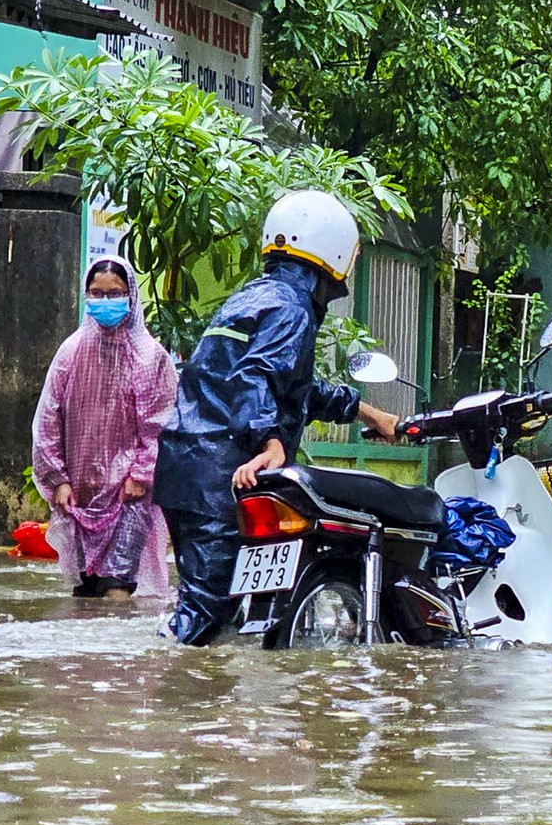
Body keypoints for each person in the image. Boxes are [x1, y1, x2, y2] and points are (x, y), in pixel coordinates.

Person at [155, 191, 402, 645]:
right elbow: (258, 375)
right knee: (205, 612)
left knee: (211, 605)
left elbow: (293, 386)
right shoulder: (291, 310)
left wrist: (367, 412)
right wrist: (271, 442)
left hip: (186, 465)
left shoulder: (254, 298)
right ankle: (159, 689)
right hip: (221, 472)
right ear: (334, 252)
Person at [31, 255, 178, 599]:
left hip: (129, 494)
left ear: (131, 296)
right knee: (87, 591)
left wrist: (141, 476)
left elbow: (159, 425)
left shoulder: (150, 357)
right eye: (96, 294)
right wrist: (58, 480)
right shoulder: (71, 352)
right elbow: (49, 420)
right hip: (79, 494)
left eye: (115, 293)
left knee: (118, 587)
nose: (105, 301)